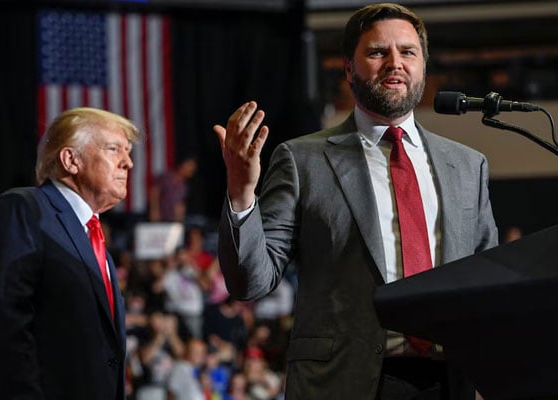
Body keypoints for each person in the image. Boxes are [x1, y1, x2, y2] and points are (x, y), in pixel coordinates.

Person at [212, 3, 498, 400]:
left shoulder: (468, 166)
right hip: (344, 382)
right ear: (349, 69)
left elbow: (488, 283)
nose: (395, 63)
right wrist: (242, 193)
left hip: (451, 383)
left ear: (423, 66)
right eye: (378, 52)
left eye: (408, 52)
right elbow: (251, 282)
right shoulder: (302, 159)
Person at [0, 107, 139, 399]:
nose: (128, 162)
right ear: (70, 159)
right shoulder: (22, 209)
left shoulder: (94, 240)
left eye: (127, 152)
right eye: (114, 149)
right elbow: (3, 329)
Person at [148, 157, 198, 223]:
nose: (192, 169)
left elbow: (180, 205)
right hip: (159, 219)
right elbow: (155, 192)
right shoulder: (167, 177)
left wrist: (179, 220)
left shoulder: (184, 186)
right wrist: (154, 210)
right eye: (190, 165)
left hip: (172, 221)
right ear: (182, 165)